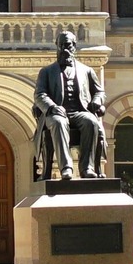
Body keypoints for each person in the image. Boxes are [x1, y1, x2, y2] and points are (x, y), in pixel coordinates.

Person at [33, 31, 105, 180]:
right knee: (59, 122)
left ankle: (87, 168)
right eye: (61, 46)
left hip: (80, 111)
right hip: (57, 114)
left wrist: (97, 101)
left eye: (68, 45)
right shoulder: (47, 72)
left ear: (74, 47)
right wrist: (52, 107)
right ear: (57, 47)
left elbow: (99, 92)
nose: (64, 49)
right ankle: (66, 167)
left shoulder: (87, 70)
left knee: (91, 122)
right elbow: (39, 95)